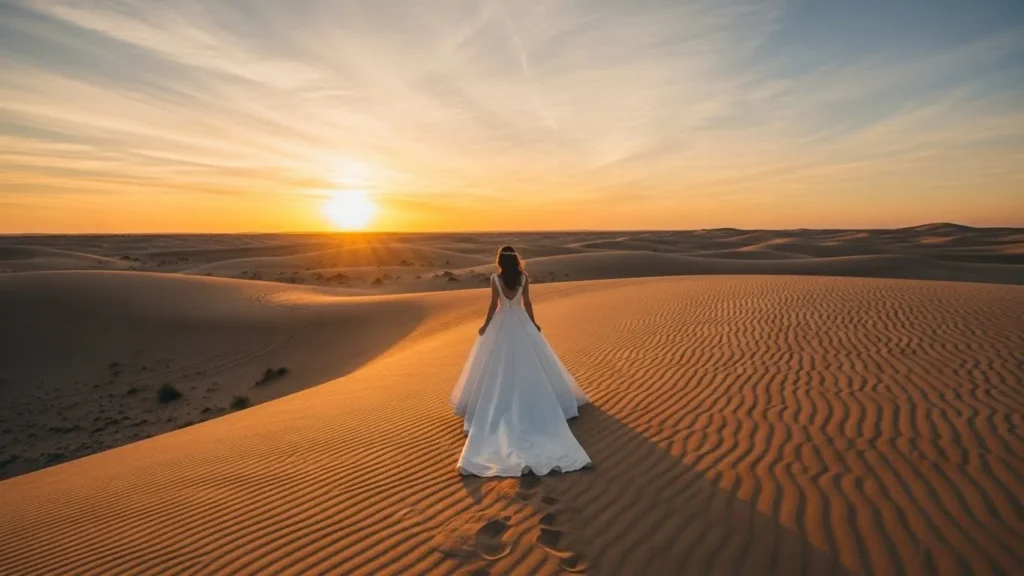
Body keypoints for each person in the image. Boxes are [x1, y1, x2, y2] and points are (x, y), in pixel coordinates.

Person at [450, 246, 592, 476]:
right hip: (520, 323)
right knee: (531, 365)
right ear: (515, 260)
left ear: (499, 261)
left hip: (502, 324)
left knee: (495, 367)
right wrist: (533, 324)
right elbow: (527, 303)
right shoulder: (523, 278)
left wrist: (486, 325)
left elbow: (493, 305)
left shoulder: (495, 279)